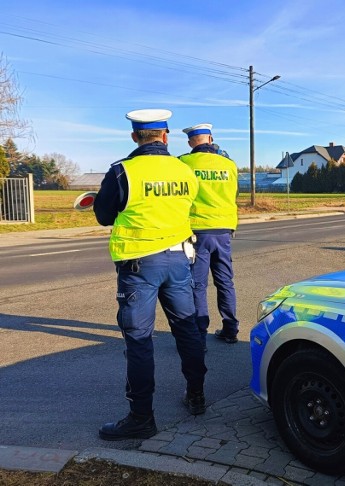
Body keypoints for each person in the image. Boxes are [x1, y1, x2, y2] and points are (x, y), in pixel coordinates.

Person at [93, 109, 208, 441]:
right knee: (187, 329)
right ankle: (197, 396)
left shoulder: (122, 171)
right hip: (179, 259)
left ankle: (141, 417)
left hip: (139, 266)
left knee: (140, 340)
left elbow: (103, 215)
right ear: (166, 136)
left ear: (134, 137)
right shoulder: (185, 171)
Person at [179, 123, 240, 349]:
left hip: (197, 231)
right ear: (211, 138)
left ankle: (199, 335)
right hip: (224, 230)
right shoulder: (229, 164)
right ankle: (231, 328)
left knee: (197, 284)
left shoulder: (184, 163)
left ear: (190, 143)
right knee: (225, 281)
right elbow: (234, 192)